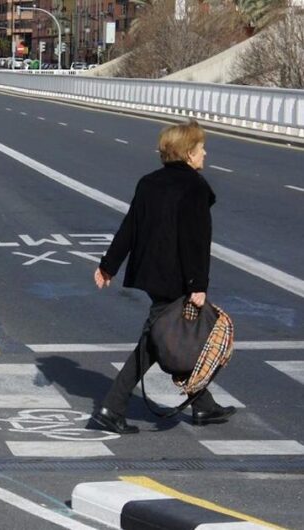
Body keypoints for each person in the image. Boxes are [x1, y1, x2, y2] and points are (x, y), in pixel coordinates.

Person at [92, 120, 235, 434]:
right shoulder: (195, 188)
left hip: (152, 274)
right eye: (200, 148)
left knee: (169, 337)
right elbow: (195, 240)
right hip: (178, 279)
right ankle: (111, 408)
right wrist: (198, 285)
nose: (205, 153)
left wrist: (108, 266)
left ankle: (203, 405)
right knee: (157, 343)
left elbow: (130, 227)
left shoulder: (149, 182)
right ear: (187, 153)